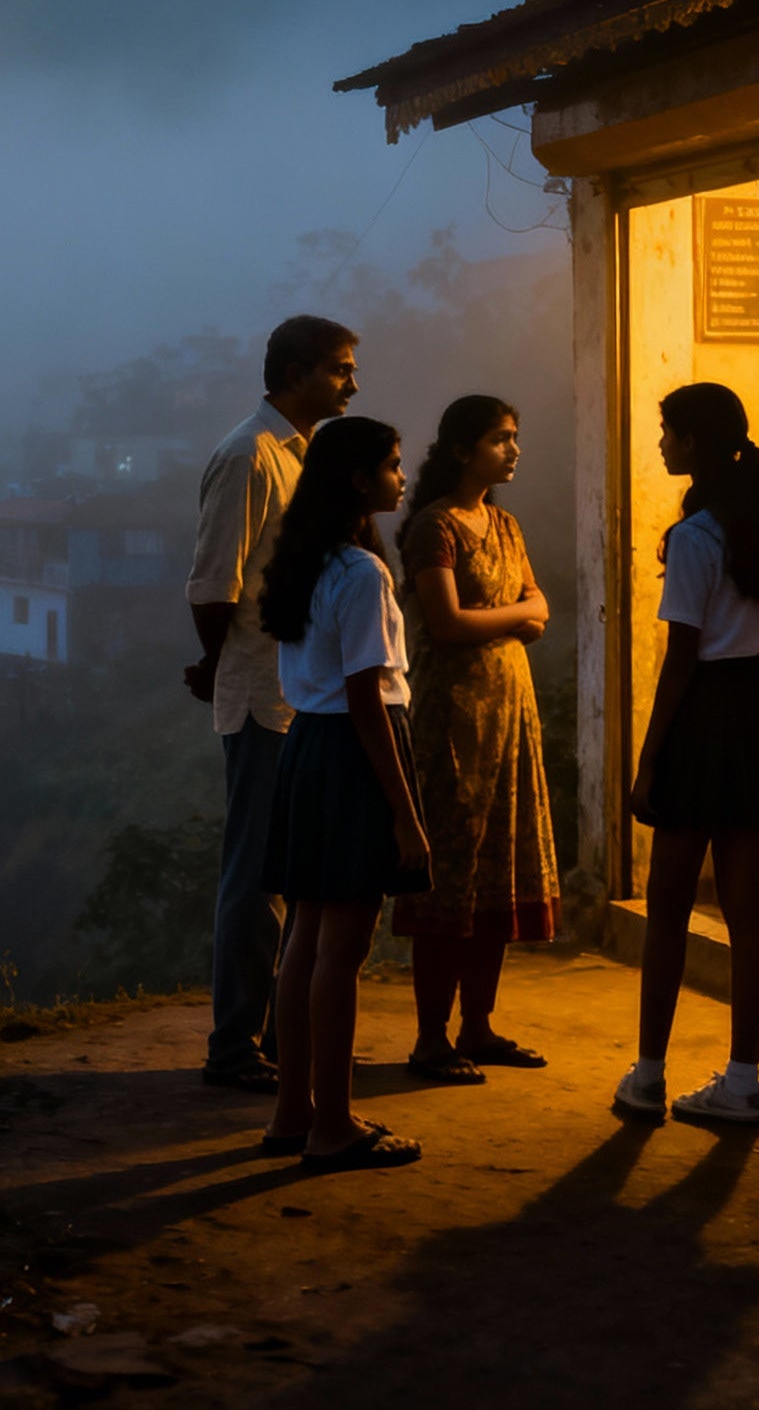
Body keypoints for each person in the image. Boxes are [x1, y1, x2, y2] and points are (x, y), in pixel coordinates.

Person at [615, 381, 759, 1129]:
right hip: (756, 711)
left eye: (668, 432)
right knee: (747, 910)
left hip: (702, 720)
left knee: (667, 906)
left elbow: (681, 657)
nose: (662, 443)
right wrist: (745, 674)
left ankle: (647, 1076)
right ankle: (743, 1081)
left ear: (694, 442)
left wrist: (648, 761)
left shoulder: (697, 537)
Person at [184, 315, 359, 1093]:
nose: (351, 383)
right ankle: (234, 1047)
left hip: (293, 695)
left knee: (289, 876)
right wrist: (215, 663)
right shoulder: (250, 457)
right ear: (296, 372)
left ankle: (275, 1038)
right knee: (256, 878)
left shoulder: (300, 457)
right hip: (259, 693)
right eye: (340, 369)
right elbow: (213, 586)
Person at [258, 415, 430, 1171]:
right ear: (360, 481)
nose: (400, 477)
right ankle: (334, 1125)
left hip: (307, 750)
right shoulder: (362, 573)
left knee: (305, 939)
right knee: (342, 949)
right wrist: (405, 815)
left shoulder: (308, 561)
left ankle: (292, 1113)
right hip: (353, 757)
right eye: (392, 466)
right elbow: (369, 700)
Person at [391, 396, 559, 1083]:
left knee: (500, 870)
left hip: (510, 715)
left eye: (515, 438)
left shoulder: (504, 522)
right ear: (464, 450)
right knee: (451, 875)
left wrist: (514, 613)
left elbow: (541, 611)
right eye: (500, 439)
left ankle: (479, 1026)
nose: (514, 450)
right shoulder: (434, 528)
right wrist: (516, 614)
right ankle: (431, 1037)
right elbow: (448, 625)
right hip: (455, 719)